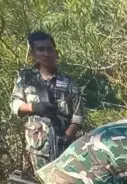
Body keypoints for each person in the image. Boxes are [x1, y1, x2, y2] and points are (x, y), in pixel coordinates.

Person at [10, 31, 84, 175]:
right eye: (41, 49)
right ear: (33, 53)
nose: (46, 54)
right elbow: (14, 103)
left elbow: (78, 116)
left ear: (55, 52)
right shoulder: (26, 78)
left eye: (49, 49)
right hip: (38, 147)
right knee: (43, 183)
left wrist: (67, 137)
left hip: (65, 148)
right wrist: (34, 107)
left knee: (65, 183)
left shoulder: (68, 82)